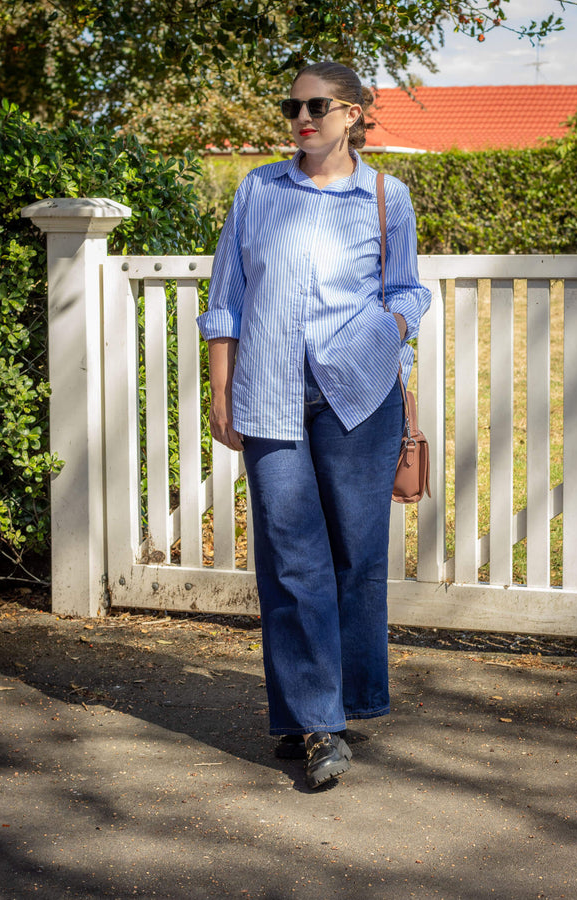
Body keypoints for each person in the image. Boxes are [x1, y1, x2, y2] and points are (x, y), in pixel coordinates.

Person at [197, 61, 431, 790]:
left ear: (357, 112)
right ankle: (318, 722)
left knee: (355, 559)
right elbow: (227, 295)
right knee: (289, 560)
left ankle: (341, 702)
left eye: (319, 105)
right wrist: (220, 386)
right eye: (292, 105)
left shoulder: (388, 198)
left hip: (358, 396)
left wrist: (388, 325)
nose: (303, 117)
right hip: (270, 394)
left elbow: (408, 288)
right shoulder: (258, 189)